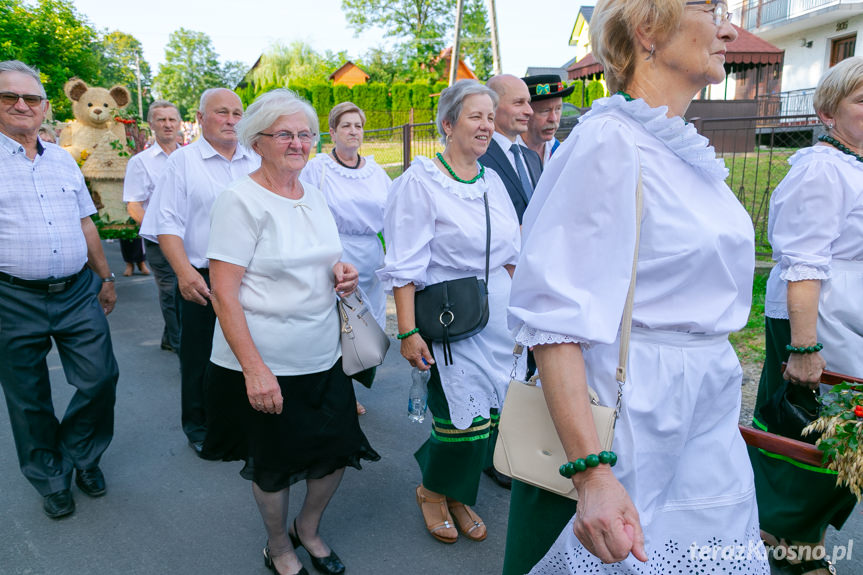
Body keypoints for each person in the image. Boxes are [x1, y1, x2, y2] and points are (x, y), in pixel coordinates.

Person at [507, 1, 769, 573]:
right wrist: (594, 473)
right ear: (647, 29)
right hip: (635, 412)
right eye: (708, 8)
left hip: (705, 407)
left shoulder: (680, 150)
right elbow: (556, 321)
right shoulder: (610, 143)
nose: (726, 28)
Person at [201, 88, 379, 575]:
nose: (298, 143)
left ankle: (309, 527)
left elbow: (322, 259)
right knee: (275, 466)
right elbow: (225, 293)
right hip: (269, 362)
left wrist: (342, 272)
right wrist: (254, 370)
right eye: (285, 134)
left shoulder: (314, 194)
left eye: (305, 134)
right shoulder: (239, 201)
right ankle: (279, 544)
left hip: (325, 354)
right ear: (257, 141)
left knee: (336, 453)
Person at [378, 79, 523, 545]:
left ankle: (458, 496)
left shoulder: (492, 179)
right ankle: (432, 491)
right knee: (459, 424)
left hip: (499, 315)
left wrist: (526, 313)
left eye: (488, 116)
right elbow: (403, 265)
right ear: (447, 124)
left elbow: (512, 253)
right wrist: (406, 332)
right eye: (474, 116)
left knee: (491, 422)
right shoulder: (421, 182)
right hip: (450, 317)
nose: (485, 125)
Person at [748, 56, 863, 575]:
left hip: (850, 321)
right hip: (820, 322)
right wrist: (804, 344)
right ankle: (791, 539)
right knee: (817, 436)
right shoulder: (821, 169)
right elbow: (803, 262)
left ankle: (796, 535)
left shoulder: (854, 165)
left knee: (840, 439)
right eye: (862, 100)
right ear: (827, 113)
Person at [0, 60, 119, 519]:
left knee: (100, 378)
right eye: (9, 96)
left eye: (30, 98)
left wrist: (106, 278)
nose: (21, 105)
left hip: (75, 293)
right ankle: (51, 476)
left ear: (46, 107)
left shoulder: (64, 160)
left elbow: (85, 222)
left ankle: (82, 456)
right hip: (12, 298)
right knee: (28, 397)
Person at [140, 88, 259, 455]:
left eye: (238, 113)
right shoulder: (183, 162)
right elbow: (167, 223)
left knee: (249, 351)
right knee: (200, 356)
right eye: (221, 112)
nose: (231, 120)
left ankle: (245, 423)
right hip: (202, 278)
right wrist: (183, 271)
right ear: (201, 117)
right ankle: (200, 428)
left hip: (252, 276)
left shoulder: (254, 160)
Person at [300, 101, 390, 415]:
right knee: (338, 329)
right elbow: (305, 210)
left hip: (371, 257)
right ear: (333, 132)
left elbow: (391, 216)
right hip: (336, 253)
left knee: (367, 328)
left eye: (358, 126)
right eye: (346, 126)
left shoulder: (377, 172)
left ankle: (350, 384)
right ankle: (340, 394)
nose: (353, 132)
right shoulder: (318, 168)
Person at [123, 100, 182, 352]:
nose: (167, 125)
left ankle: (170, 337)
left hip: (191, 238)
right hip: (160, 240)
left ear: (179, 123)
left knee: (190, 289)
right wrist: (160, 231)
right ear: (151, 124)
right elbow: (134, 206)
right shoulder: (141, 162)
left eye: (172, 119)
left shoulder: (189, 157)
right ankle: (183, 346)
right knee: (170, 291)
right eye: (161, 120)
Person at [479, 74, 542, 224]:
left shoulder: (533, 158)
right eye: (519, 103)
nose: (529, 111)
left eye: (528, 102)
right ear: (492, 107)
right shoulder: (478, 159)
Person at [520, 75, 574, 166]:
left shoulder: (557, 149)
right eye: (545, 111)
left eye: (558, 109)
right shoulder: (510, 155)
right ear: (525, 112)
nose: (553, 118)